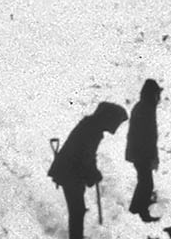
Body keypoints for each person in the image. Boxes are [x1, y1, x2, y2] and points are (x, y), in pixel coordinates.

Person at [48, 102, 129, 239]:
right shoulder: (92, 130)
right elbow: (85, 156)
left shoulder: (91, 126)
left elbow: (89, 155)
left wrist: (93, 172)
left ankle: (76, 236)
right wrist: (93, 174)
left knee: (77, 210)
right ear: (109, 118)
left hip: (70, 172)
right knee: (77, 210)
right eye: (116, 121)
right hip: (69, 173)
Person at [126, 79, 163, 222]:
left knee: (144, 182)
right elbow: (148, 137)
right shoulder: (146, 109)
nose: (158, 97)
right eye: (157, 94)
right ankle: (140, 212)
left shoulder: (143, 107)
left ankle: (135, 210)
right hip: (141, 153)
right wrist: (152, 157)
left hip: (139, 152)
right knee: (146, 184)